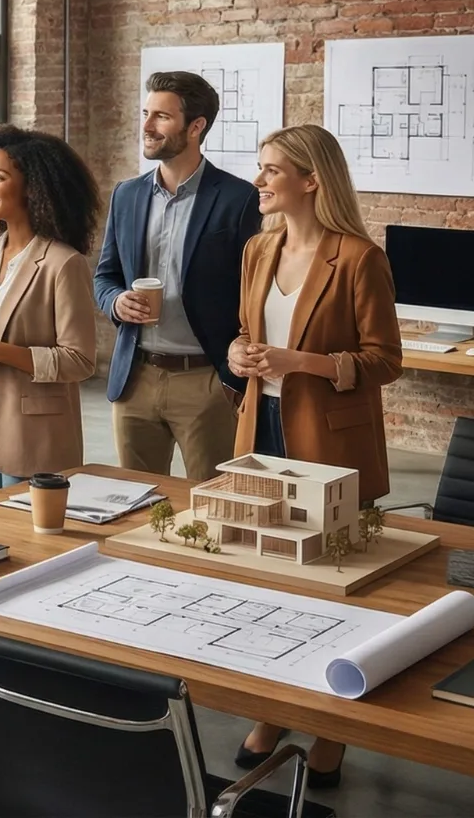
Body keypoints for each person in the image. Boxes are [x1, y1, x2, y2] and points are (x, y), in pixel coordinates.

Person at [228, 124, 401, 787]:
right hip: (260, 427)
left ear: (310, 180)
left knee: (332, 595)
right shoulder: (256, 250)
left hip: (330, 437)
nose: (260, 180)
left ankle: (332, 730)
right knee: (269, 584)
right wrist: (239, 355)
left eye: (273, 170)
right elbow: (248, 336)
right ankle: (275, 710)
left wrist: (306, 362)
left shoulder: (358, 258)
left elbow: (386, 360)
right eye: (260, 168)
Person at [94, 71, 262, 480]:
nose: (147, 127)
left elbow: (254, 293)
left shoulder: (239, 199)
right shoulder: (126, 194)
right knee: (135, 505)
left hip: (206, 380)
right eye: (146, 114)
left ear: (196, 126)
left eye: (161, 117)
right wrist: (116, 301)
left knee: (215, 508)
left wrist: (231, 377)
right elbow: (105, 276)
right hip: (135, 378)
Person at [0, 126, 100, 496]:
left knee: (28, 541)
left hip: (33, 428)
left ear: (33, 187)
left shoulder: (63, 263)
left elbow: (79, 360)